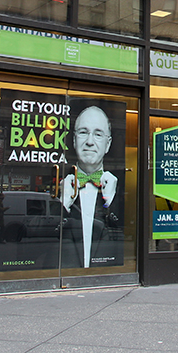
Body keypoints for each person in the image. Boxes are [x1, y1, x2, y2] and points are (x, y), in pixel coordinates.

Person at [60, 105, 122, 268]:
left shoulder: (120, 189)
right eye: (83, 132)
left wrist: (110, 203)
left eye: (98, 134)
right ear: (74, 140)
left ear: (108, 144)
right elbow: (42, 235)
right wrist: (61, 205)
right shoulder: (60, 184)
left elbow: (124, 232)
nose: (89, 142)